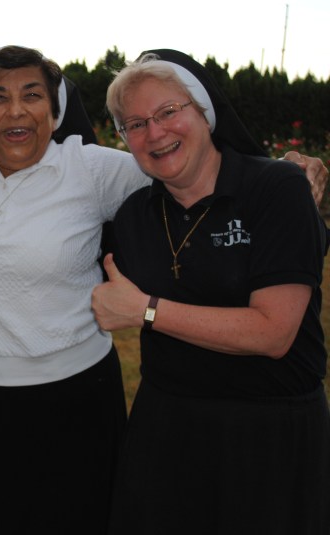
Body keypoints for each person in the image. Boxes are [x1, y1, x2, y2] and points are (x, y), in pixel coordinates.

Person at [0, 45, 327, 534]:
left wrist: (282, 171)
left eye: (32, 96)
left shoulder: (90, 168)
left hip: (76, 399)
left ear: (55, 109)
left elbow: (193, 165)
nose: (15, 110)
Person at [91, 49, 330, 534]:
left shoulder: (275, 188)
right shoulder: (135, 215)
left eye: (168, 112)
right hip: (168, 430)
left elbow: (273, 333)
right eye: (134, 124)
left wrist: (147, 311)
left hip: (269, 437)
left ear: (204, 112)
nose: (154, 133)